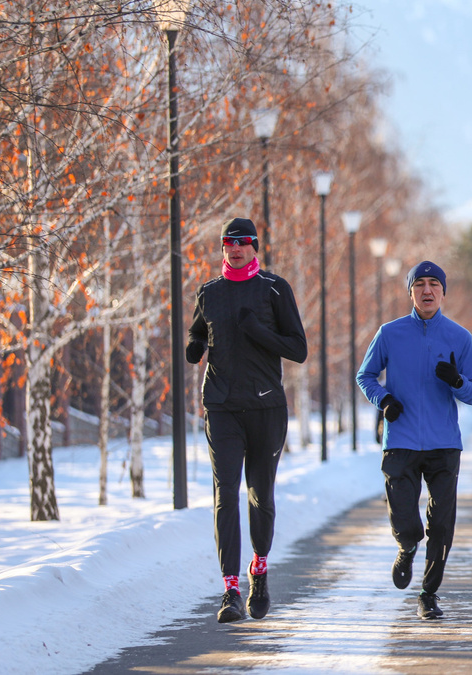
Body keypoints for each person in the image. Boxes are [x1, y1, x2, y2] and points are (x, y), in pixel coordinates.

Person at [186, 217, 308, 623]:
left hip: (266, 409)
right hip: (221, 406)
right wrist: (195, 344)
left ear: (255, 246)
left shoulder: (274, 289)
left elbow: (298, 349)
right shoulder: (209, 292)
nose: (234, 248)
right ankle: (230, 590)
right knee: (225, 495)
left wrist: (257, 330)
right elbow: (200, 329)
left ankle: (258, 568)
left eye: (242, 242)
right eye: (227, 242)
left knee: (260, 495)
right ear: (222, 249)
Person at [357, 261, 472, 620]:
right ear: (410, 291)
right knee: (407, 522)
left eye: (434, 284)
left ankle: (428, 593)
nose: (427, 290)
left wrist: (457, 381)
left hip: (444, 444)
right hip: (401, 440)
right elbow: (365, 375)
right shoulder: (390, 333)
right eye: (420, 284)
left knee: (442, 523)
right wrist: (385, 400)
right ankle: (407, 546)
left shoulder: (459, 337)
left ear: (443, 292)